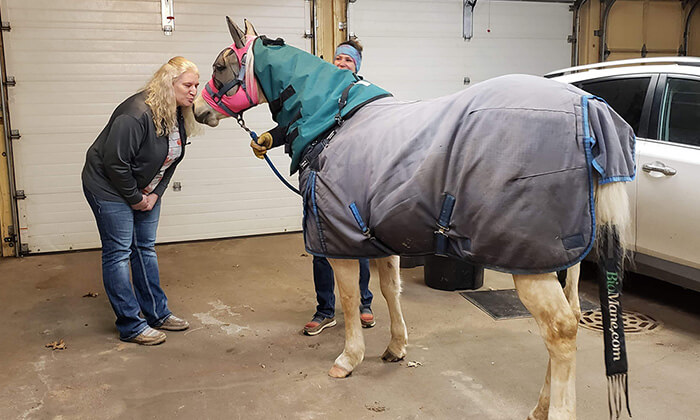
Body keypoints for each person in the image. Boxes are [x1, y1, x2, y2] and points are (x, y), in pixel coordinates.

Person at [250, 40, 376, 336]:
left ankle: (364, 304)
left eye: (348, 59)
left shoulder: (363, 94)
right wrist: (270, 137)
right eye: (338, 58)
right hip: (320, 178)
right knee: (321, 246)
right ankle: (325, 310)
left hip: (354, 180)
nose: (342, 63)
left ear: (357, 65)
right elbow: (299, 123)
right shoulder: (317, 94)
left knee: (360, 243)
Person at [81, 56, 202, 345]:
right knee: (120, 252)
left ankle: (157, 313)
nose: (194, 91)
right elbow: (115, 163)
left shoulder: (177, 113)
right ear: (168, 83)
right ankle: (130, 325)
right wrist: (136, 199)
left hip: (146, 188)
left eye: (197, 85)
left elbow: (171, 159)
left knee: (144, 248)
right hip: (108, 186)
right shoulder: (135, 114)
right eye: (188, 85)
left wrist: (155, 194)